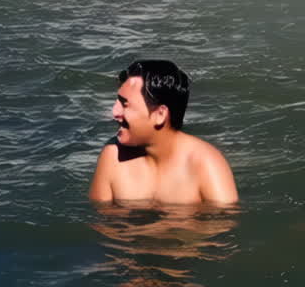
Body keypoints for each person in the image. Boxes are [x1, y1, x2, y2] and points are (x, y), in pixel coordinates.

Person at [89, 60, 238, 205]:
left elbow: (223, 225)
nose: (114, 112)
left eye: (125, 104)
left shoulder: (206, 164)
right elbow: (102, 223)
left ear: (160, 114)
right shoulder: (112, 157)